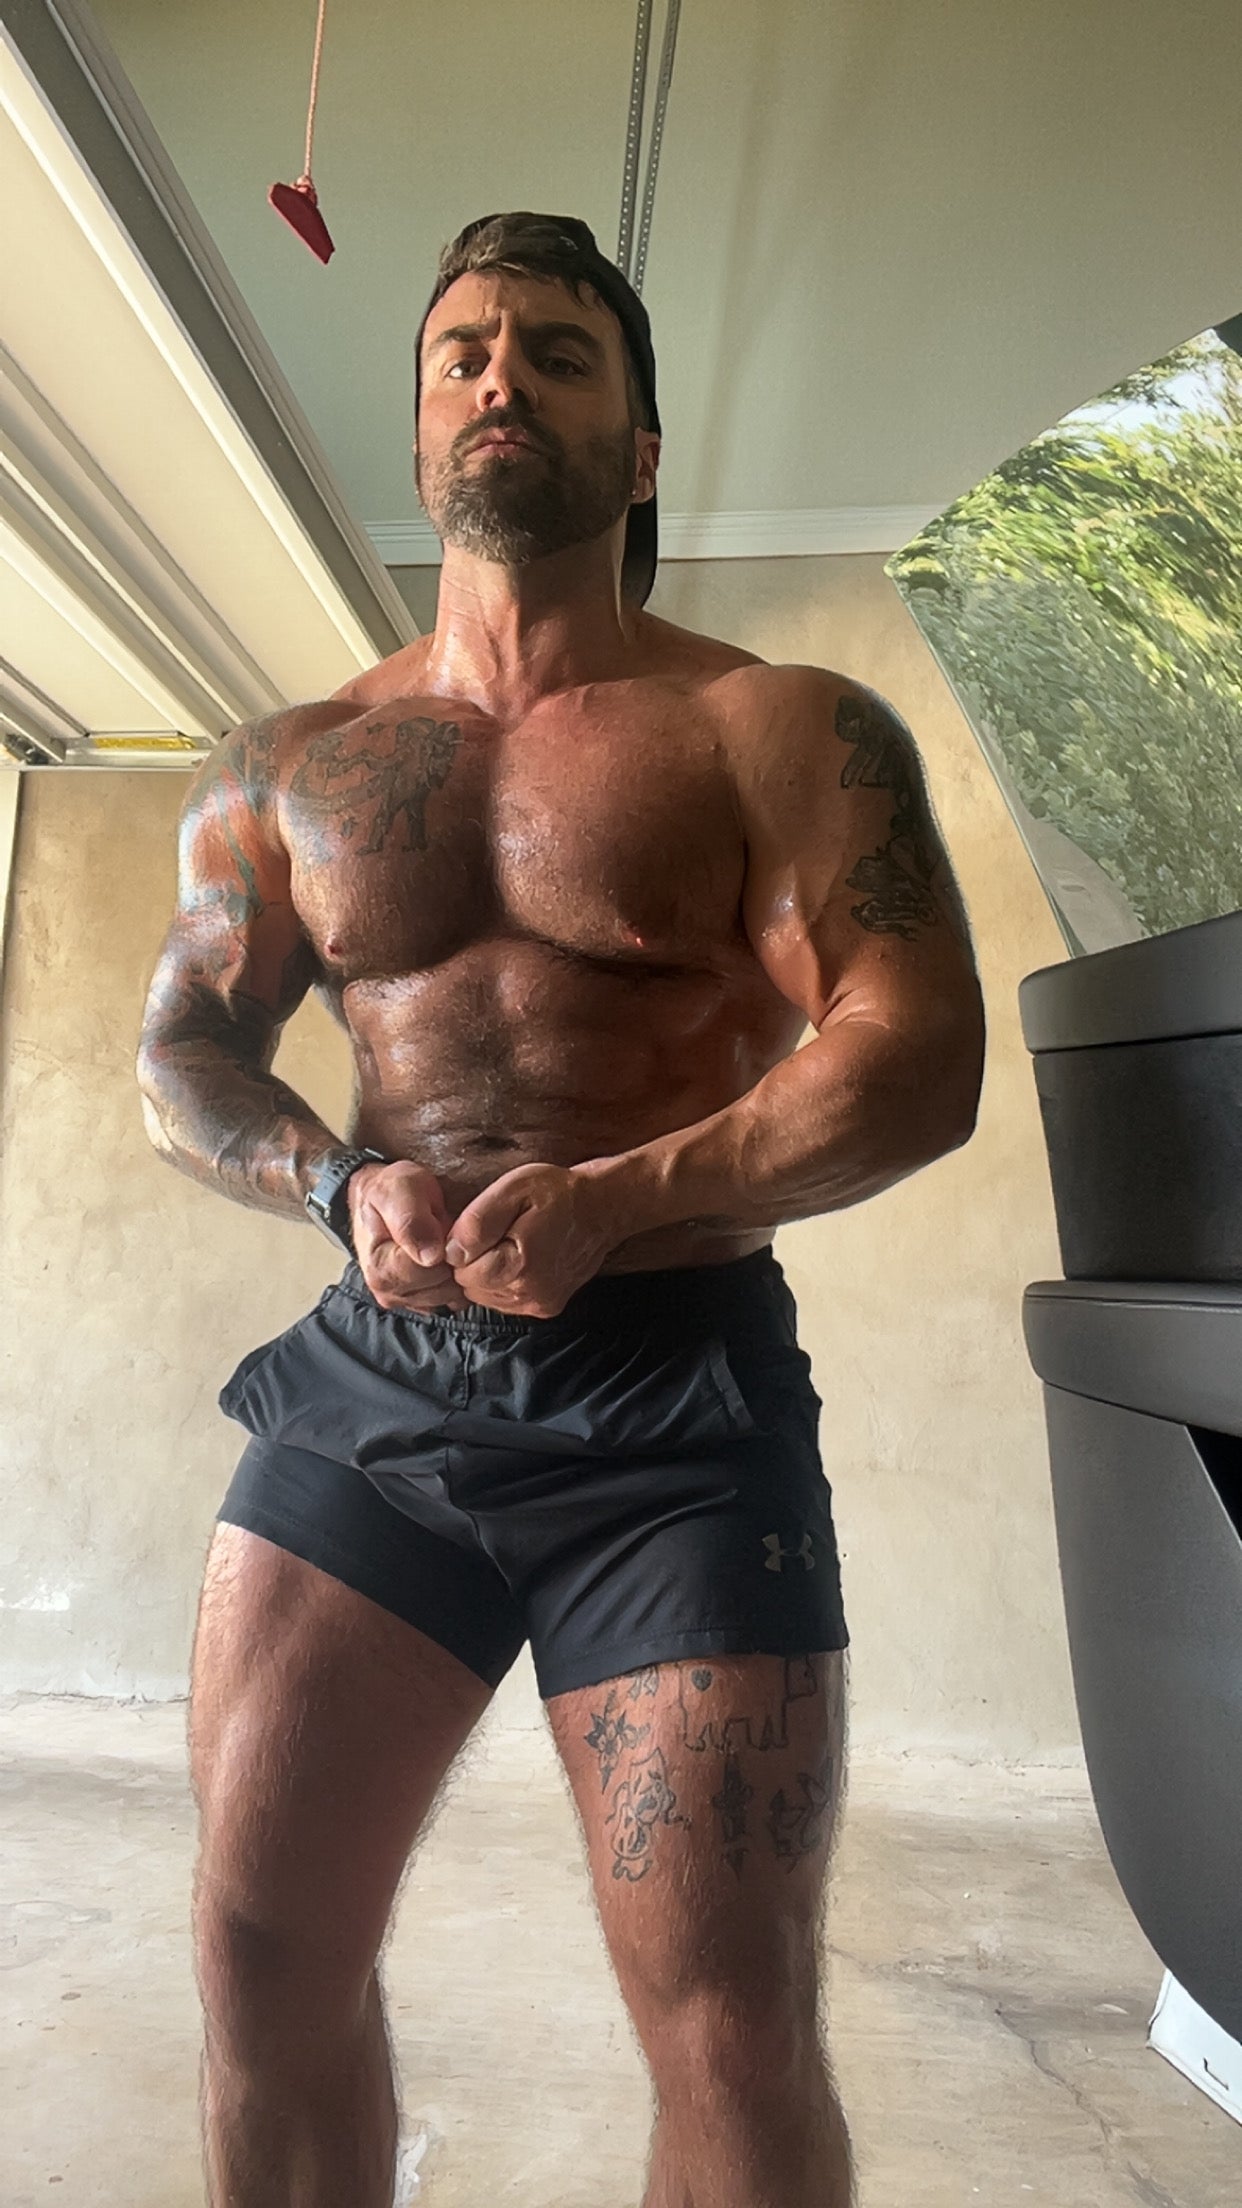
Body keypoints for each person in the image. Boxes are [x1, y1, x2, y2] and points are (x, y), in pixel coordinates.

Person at [136, 210, 985, 2208]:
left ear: (643, 446)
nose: (500, 377)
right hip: (374, 1387)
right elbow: (182, 1052)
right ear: (423, 428)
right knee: (257, 1956)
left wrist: (623, 1196)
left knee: (732, 2028)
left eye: (557, 352)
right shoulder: (292, 762)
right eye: (463, 354)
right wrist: (339, 1182)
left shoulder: (772, 728)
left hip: (673, 1410)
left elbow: (916, 1053)